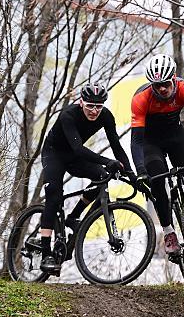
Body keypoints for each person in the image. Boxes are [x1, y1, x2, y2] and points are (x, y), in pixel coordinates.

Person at [38, 83, 133, 272]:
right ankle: (45, 252)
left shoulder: (105, 116)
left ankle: (73, 217)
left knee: (102, 176)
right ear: (81, 102)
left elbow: (117, 146)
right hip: (54, 154)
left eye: (98, 106)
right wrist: (108, 161)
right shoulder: (68, 115)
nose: (94, 111)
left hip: (74, 157)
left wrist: (130, 173)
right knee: (54, 195)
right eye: (90, 106)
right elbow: (79, 148)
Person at [130, 54, 184, 255]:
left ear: (173, 79)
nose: (162, 89)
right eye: (157, 86)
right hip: (151, 141)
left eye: (166, 84)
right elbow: (137, 141)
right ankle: (168, 232)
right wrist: (140, 171)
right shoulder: (141, 98)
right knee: (157, 180)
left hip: (176, 136)